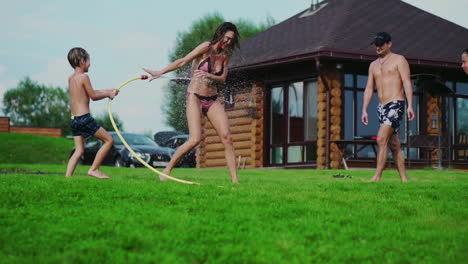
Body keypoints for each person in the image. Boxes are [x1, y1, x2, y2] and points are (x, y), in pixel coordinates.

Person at [144, 22, 240, 184]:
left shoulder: (225, 55)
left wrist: (210, 77)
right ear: (220, 34)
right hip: (195, 96)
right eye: (227, 38)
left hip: (212, 99)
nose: (228, 42)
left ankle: (235, 180)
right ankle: (167, 170)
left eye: (232, 40)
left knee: (227, 138)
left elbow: (222, 79)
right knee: (195, 139)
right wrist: (159, 72)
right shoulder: (205, 47)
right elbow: (182, 61)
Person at [361, 32, 415, 182]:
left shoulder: (399, 60)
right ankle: (405, 179)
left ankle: (377, 177)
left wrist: (410, 106)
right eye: (376, 44)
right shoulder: (373, 65)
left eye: (381, 44)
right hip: (381, 107)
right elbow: (369, 88)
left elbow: (407, 83)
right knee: (394, 145)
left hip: (396, 103)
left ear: (389, 44)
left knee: (381, 139)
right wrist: (364, 109)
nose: (378, 47)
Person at [65, 47, 118, 179]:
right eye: (88, 60)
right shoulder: (84, 77)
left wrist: (108, 91)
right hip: (84, 119)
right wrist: (108, 94)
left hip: (74, 119)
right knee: (109, 140)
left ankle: (67, 178)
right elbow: (93, 96)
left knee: (79, 150)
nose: (90, 64)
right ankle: (94, 169)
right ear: (82, 61)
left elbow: (88, 93)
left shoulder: (71, 78)